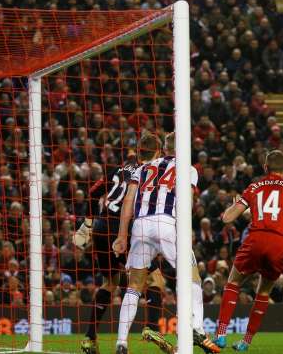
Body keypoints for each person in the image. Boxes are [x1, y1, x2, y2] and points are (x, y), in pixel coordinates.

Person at [111, 133, 219, 354]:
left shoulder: (143, 169)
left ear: (164, 147)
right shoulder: (187, 168)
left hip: (140, 226)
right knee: (192, 276)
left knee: (135, 285)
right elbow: (186, 203)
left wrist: (122, 236)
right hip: (169, 223)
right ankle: (196, 328)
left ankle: (121, 343)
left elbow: (128, 202)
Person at [214, 150, 283, 351]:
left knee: (233, 283)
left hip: (256, 238)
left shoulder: (254, 186)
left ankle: (221, 335)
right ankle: (245, 342)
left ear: (265, 167)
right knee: (264, 291)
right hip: (280, 243)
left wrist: (235, 208)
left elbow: (227, 218)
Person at [77, 134, 168, 354]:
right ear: (157, 153)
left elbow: (92, 193)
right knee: (155, 280)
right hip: (122, 230)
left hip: (100, 226)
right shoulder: (150, 173)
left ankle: (90, 338)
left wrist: (88, 224)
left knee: (111, 281)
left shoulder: (120, 170)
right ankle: (152, 327)